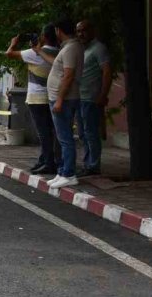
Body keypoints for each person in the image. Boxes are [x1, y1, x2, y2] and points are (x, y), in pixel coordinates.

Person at [6, 26, 59, 175]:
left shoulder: (34, 54)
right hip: (52, 96)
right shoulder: (58, 52)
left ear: (44, 37)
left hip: (37, 98)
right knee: (50, 130)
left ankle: (48, 162)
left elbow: (9, 54)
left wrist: (13, 43)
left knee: (43, 132)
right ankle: (45, 160)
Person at [41, 18, 84, 189]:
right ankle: (63, 171)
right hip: (62, 99)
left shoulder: (71, 48)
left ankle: (69, 173)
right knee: (62, 137)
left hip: (64, 100)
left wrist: (59, 99)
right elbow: (58, 65)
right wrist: (39, 52)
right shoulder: (68, 48)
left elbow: (68, 75)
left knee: (65, 138)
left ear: (59, 30)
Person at [76, 21, 112, 176]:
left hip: (91, 98)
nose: (80, 34)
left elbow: (107, 72)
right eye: (78, 31)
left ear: (92, 30)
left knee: (91, 133)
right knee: (83, 133)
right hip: (79, 98)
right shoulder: (83, 50)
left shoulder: (99, 48)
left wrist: (103, 95)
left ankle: (93, 165)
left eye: (84, 30)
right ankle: (87, 163)